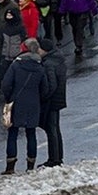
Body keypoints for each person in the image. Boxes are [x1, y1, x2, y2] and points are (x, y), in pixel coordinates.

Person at [1, 38, 49, 174]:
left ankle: (10, 167)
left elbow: (6, 84)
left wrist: (9, 98)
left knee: (12, 132)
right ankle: (30, 166)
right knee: (31, 133)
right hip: (33, 104)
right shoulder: (40, 67)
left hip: (16, 102)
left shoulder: (16, 65)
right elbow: (45, 89)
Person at [37, 36, 67, 167]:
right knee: (55, 129)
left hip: (52, 100)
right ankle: (57, 157)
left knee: (51, 130)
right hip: (59, 99)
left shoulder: (48, 63)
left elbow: (51, 84)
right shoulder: (58, 60)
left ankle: (54, 159)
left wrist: (43, 96)